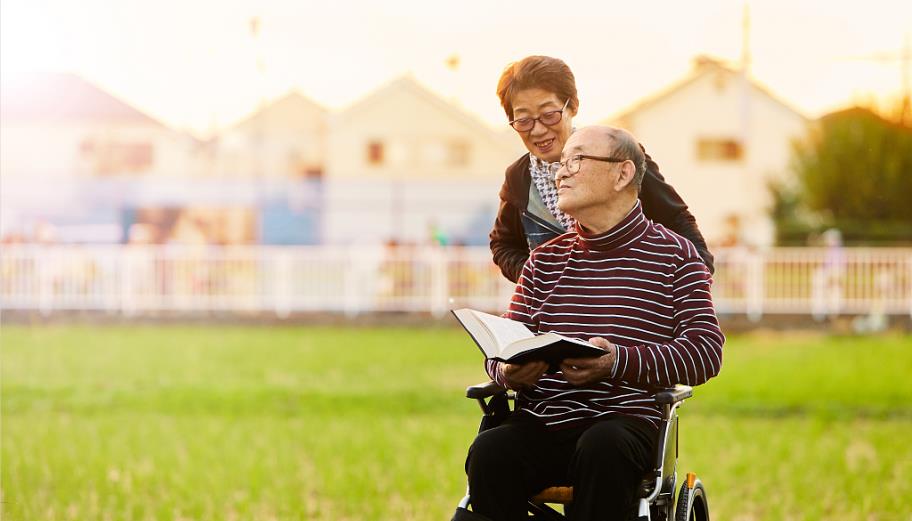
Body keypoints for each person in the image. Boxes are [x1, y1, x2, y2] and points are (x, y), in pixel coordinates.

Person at [465, 126, 724, 520]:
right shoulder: (544, 261)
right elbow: (501, 348)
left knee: (603, 444)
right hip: (546, 422)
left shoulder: (676, 256)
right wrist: (508, 372)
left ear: (622, 174)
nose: (560, 172)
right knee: (490, 452)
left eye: (576, 160)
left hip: (625, 423)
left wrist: (616, 361)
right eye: (562, 162)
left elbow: (705, 353)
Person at [490, 55, 714, 283]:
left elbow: (675, 218)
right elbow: (503, 244)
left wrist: (698, 274)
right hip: (556, 314)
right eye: (524, 120)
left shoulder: (615, 156)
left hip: (626, 301)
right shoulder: (519, 178)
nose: (537, 130)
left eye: (549, 115)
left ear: (572, 106)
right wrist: (536, 280)